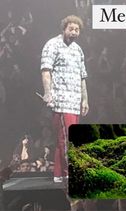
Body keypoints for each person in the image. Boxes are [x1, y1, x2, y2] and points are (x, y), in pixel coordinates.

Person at [40, 15, 89, 183]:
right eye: (71, 29)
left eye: (77, 30)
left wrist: (85, 99)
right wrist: (48, 93)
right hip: (61, 100)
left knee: (65, 138)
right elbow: (46, 70)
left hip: (75, 102)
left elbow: (82, 76)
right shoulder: (52, 45)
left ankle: (59, 175)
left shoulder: (78, 50)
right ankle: (70, 173)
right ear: (64, 28)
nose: (74, 32)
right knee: (68, 139)